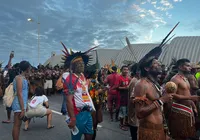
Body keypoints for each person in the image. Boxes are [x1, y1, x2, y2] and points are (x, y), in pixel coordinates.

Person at [61, 43, 96, 140]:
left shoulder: (82, 76)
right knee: (76, 138)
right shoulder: (70, 79)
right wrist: (72, 118)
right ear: (73, 66)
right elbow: (68, 100)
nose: (82, 65)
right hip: (78, 114)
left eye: (83, 63)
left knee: (89, 135)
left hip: (87, 112)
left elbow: (84, 93)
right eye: (79, 64)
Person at [134, 56, 173, 140]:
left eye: (159, 62)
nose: (159, 64)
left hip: (160, 129)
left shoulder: (154, 84)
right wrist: (161, 100)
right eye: (155, 63)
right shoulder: (141, 85)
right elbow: (139, 114)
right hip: (149, 131)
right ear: (147, 68)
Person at [168, 59, 200, 139]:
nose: (190, 68)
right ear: (181, 67)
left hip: (187, 110)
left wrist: (193, 105)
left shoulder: (185, 78)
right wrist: (191, 98)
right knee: (181, 136)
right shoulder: (175, 79)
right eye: (188, 66)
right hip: (179, 111)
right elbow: (171, 95)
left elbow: (187, 93)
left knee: (188, 135)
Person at [12, 61, 30, 140]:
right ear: (27, 68)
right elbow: (19, 93)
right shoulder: (19, 78)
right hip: (18, 104)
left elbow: (24, 93)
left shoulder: (23, 78)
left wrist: (25, 105)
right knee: (17, 125)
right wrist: (23, 108)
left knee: (18, 125)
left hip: (21, 103)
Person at [118, 65, 131, 131]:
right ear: (121, 70)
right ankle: (121, 124)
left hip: (127, 97)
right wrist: (125, 88)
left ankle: (125, 123)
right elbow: (117, 87)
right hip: (122, 97)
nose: (126, 71)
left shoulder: (128, 78)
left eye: (127, 70)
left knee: (126, 111)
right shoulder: (119, 78)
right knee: (122, 111)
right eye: (124, 69)